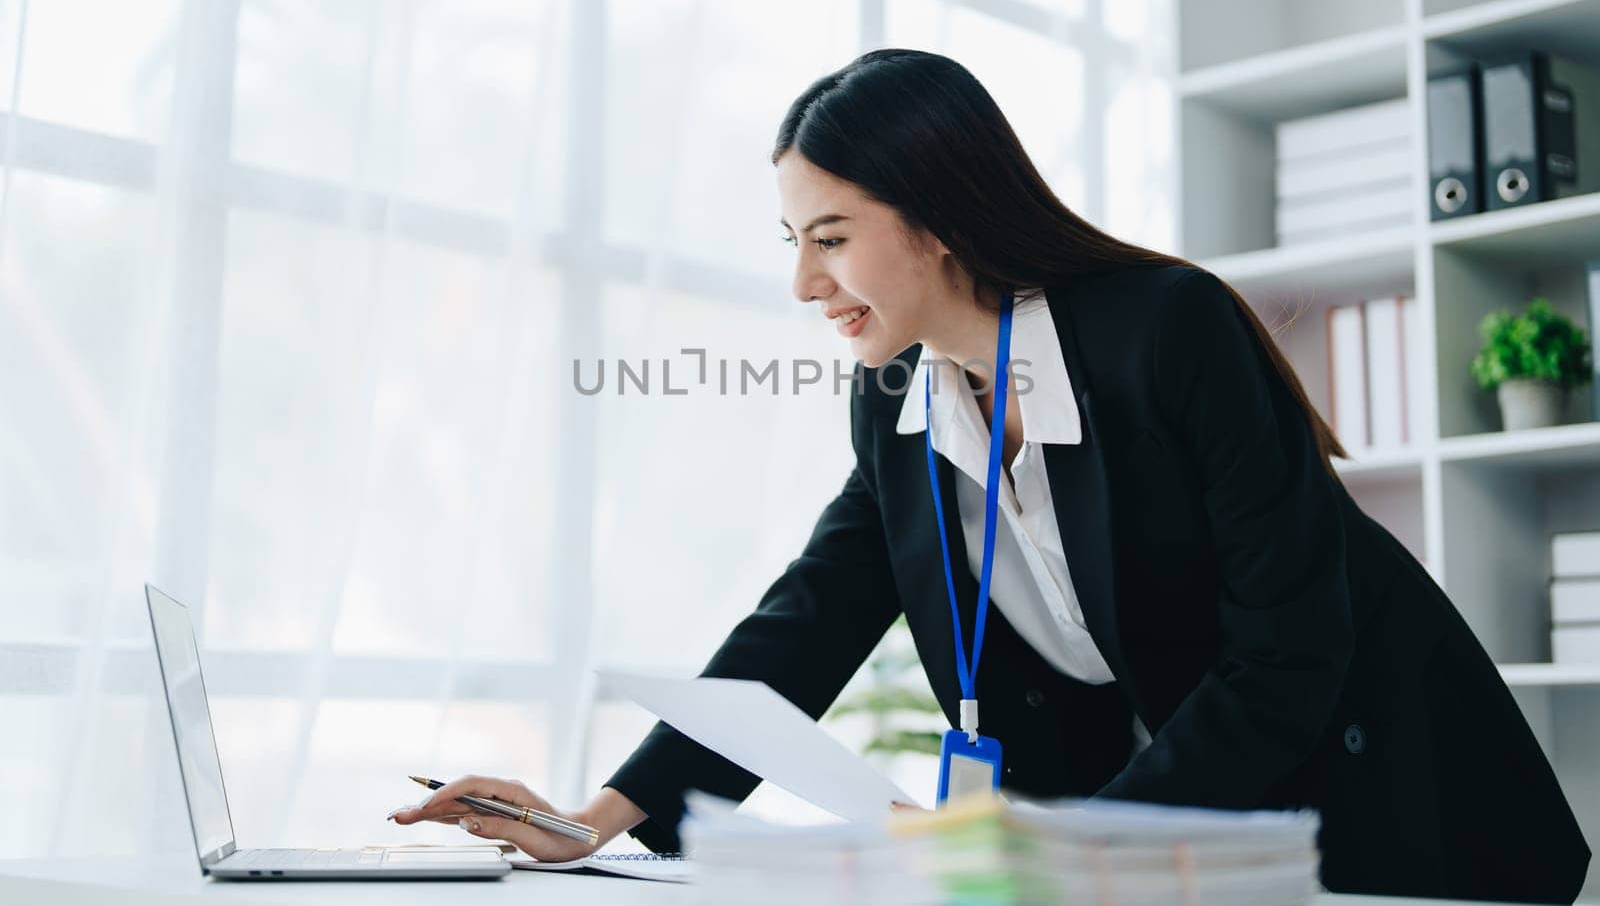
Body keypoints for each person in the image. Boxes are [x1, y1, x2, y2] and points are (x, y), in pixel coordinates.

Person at [390, 48, 1591, 902]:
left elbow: (1287, 656)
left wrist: (1064, 838)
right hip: (1174, 826)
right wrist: (595, 816)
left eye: (831, 237)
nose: (806, 286)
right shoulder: (895, 395)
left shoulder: (1168, 329)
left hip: (1388, 792)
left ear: (940, 218)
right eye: (791, 243)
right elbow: (808, 618)